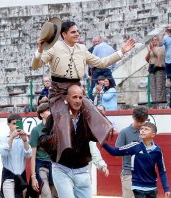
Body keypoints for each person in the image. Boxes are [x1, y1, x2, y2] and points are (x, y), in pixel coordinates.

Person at [33, 19, 135, 163]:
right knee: (63, 121)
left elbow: (101, 63)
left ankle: (101, 147)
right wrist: (39, 50)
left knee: (95, 114)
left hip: (76, 89)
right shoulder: (54, 48)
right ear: (64, 34)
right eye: (73, 32)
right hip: (58, 91)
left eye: (77, 31)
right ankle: (62, 151)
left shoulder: (82, 49)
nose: (77, 34)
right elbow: (37, 65)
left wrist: (121, 52)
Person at [39, 85, 97, 198]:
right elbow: (42, 139)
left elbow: (97, 134)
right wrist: (53, 138)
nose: (78, 101)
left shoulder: (87, 116)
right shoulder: (56, 117)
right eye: (75, 97)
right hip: (61, 168)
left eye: (80, 97)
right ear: (67, 98)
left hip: (82, 169)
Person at [115, 106, 166, 198]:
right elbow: (117, 151)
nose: (141, 125)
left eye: (143, 121)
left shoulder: (147, 131)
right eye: (139, 122)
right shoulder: (125, 132)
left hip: (145, 175)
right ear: (133, 118)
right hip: (128, 172)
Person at [0, 113, 32, 198]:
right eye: (13, 123)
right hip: (8, 176)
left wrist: (24, 140)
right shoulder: (3, 138)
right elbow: (4, 153)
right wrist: (11, 138)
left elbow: (29, 155)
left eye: (17, 123)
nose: (15, 126)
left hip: (21, 177)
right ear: (8, 124)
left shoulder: (24, 139)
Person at [30, 103, 60, 198]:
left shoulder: (56, 129)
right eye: (47, 110)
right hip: (41, 167)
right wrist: (33, 176)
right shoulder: (36, 131)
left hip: (54, 167)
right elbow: (33, 155)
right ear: (41, 114)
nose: (49, 112)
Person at [145, 36, 166, 103]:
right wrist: (149, 51)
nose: (154, 41)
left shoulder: (161, 48)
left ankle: (160, 101)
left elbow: (158, 56)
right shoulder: (151, 49)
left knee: (159, 86)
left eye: (155, 40)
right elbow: (147, 59)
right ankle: (154, 101)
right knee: (152, 86)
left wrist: (152, 49)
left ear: (158, 41)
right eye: (153, 40)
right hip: (151, 67)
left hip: (159, 67)